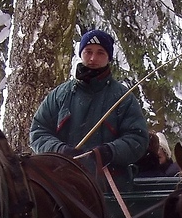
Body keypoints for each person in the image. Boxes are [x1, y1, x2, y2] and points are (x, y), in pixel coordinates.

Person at [29, 29, 149, 173]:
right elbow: (38, 131)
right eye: (88, 51)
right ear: (81, 54)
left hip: (110, 185)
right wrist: (60, 150)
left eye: (100, 53)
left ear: (108, 58)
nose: (93, 58)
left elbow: (138, 139)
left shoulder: (123, 97)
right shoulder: (60, 95)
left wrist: (108, 152)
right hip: (61, 180)